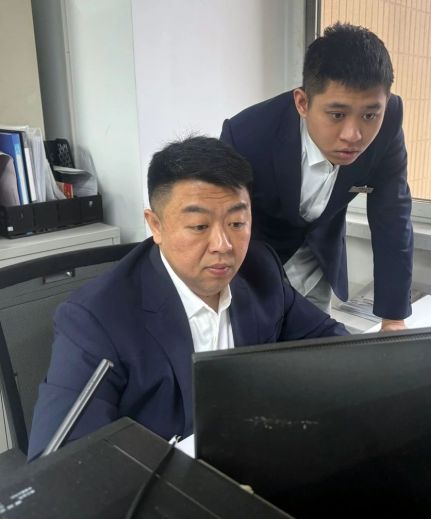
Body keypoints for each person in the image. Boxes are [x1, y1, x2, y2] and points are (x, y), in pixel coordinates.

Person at [27, 137, 347, 460]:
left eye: (237, 223)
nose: (223, 245)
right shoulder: (95, 319)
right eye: (199, 226)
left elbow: (334, 344)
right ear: (156, 226)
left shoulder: (259, 269)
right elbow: (61, 462)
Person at [221, 23, 413, 332]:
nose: (353, 135)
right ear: (303, 103)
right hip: (255, 263)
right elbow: (225, 222)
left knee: (315, 349)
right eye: (337, 115)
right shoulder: (246, 135)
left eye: (369, 115)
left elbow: (392, 216)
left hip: (318, 261)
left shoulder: (388, 123)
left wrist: (393, 319)